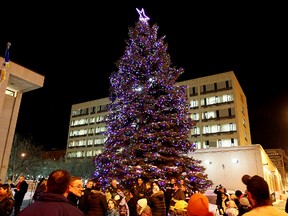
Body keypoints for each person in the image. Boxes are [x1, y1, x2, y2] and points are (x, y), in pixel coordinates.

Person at [18, 169, 84, 216]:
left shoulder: (27, 211)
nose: (82, 189)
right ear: (68, 189)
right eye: (78, 186)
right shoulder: (76, 213)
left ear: (47, 187)